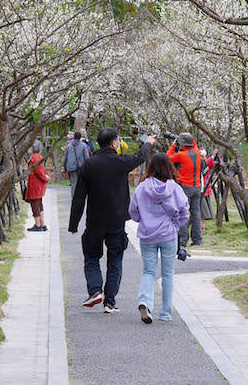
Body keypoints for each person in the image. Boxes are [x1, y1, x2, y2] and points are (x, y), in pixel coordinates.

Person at [69, 127, 156, 313]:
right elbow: (140, 156)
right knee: (115, 259)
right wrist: (148, 143)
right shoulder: (121, 162)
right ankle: (109, 302)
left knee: (91, 256)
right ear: (115, 143)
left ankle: (95, 291)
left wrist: (73, 223)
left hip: (95, 220)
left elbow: (79, 196)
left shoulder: (89, 164)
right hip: (117, 220)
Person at [129, 152, 189, 323]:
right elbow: (185, 210)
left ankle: (144, 302)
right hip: (169, 235)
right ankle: (166, 313)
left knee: (149, 271)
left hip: (147, 235)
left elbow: (133, 211)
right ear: (169, 167)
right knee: (168, 273)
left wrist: (143, 219)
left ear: (151, 167)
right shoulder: (175, 188)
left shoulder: (142, 187)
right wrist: (176, 225)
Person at [167, 132, 203, 250]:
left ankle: (183, 239)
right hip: (197, 187)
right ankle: (197, 239)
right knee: (196, 213)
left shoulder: (181, 155)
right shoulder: (197, 152)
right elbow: (193, 143)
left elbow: (166, 158)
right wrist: (185, 136)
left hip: (185, 188)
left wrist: (173, 145)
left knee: (184, 213)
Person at [25, 140, 49, 232]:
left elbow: (38, 172)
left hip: (35, 184)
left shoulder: (34, 158)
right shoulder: (39, 157)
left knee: (35, 205)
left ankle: (38, 224)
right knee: (39, 205)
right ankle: (42, 224)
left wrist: (45, 178)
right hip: (38, 185)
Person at [63, 131, 89, 196]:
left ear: (74, 137)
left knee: (73, 183)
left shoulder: (69, 146)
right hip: (81, 167)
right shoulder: (83, 146)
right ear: (80, 137)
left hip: (71, 167)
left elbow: (65, 158)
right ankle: (81, 196)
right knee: (81, 183)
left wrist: (65, 167)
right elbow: (86, 157)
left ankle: (74, 197)